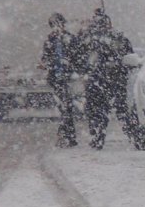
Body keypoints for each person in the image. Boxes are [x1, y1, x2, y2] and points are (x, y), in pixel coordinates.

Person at [79, 10, 137, 150]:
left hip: (98, 81)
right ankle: (132, 135)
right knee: (120, 110)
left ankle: (98, 136)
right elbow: (129, 57)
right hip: (113, 81)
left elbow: (80, 59)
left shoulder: (89, 40)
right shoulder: (117, 38)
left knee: (97, 111)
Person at [41, 13, 78, 147]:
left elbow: (78, 57)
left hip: (69, 78)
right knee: (65, 107)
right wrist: (47, 64)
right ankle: (68, 136)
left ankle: (66, 135)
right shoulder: (49, 41)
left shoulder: (71, 39)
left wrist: (69, 64)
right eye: (53, 25)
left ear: (63, 25)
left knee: (66, 107)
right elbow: (45, 58)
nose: (56, 28)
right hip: (56, 79)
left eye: (58, 24)